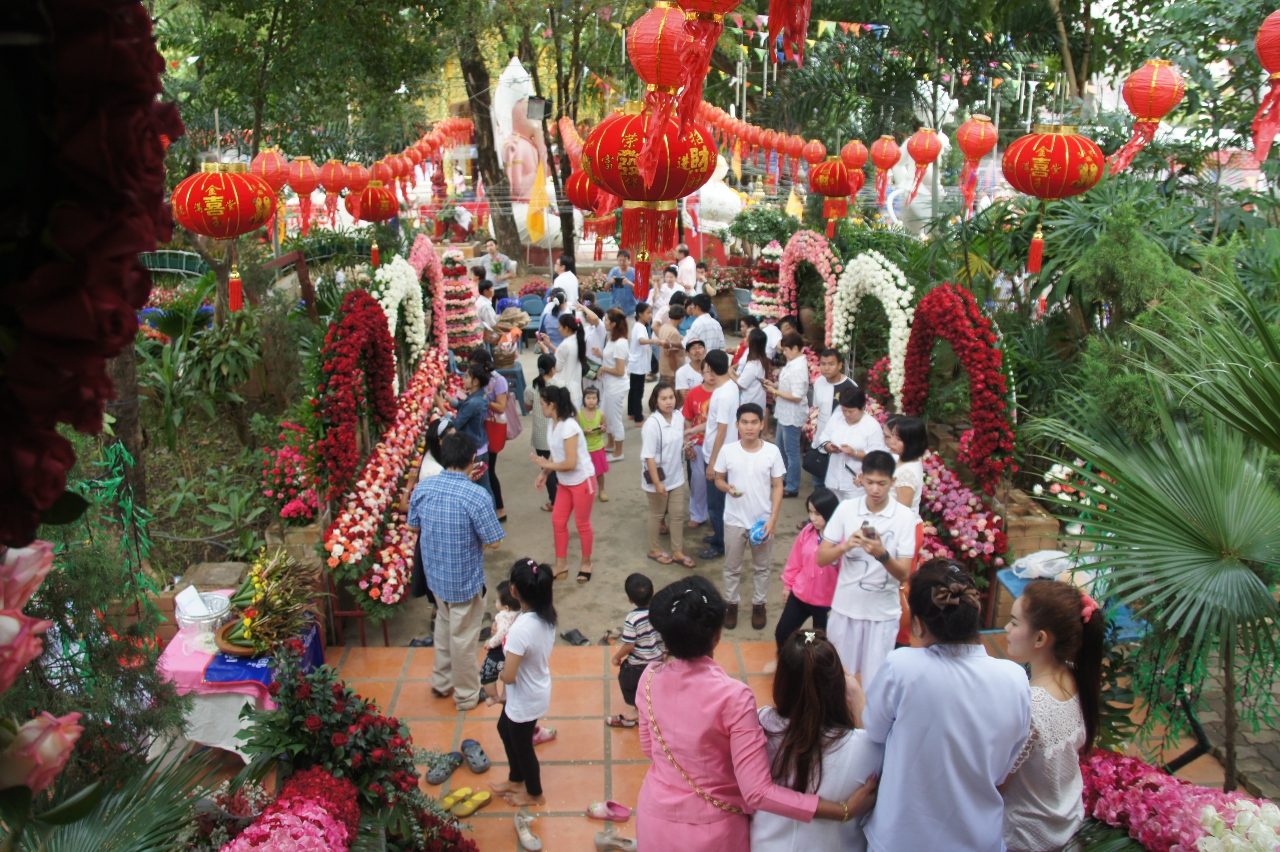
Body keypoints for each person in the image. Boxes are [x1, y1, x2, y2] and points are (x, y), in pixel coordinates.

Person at [637, 576, 878, 851]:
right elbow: (757, 792)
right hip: (712, 831)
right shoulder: (733, 697)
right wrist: (843, 811)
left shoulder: (648, 678)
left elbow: (649, 747)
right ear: (717, 635)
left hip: (653, 818)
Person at [862, 559, 1031, 852]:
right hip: (979, 839)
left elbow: (874, 731)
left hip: (902, 838)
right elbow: (1004, 768)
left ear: (917, 625)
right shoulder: (1015, 680)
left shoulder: (902, 668)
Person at [752, 630, 884, 852]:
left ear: (781, 681)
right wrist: (859, 698)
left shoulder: (760, 723)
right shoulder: (865, 746)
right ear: (838, 686)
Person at [1002, 580, 1104, 852]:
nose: (1006, 629)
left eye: (1014, 622)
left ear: (1040, 638)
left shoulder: (1031, 705)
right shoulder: (1075, 675)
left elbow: (997, 784)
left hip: (1026, 837)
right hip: (1065, 820)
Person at [406, 432, 504, 711]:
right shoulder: (476, 495)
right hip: (464, 582)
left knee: (444, 628)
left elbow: (413, 526)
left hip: (435, 578)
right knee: (463, 640)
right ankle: (466, 695)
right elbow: (494, 541)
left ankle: (441, 681)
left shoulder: (424, 488)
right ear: (473, 459)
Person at [815, 451, 918, 686]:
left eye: (882, 483)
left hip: (882, 613)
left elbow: (904, 573)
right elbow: (821, 558)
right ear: (861, 478)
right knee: (838, 680)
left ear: (892, 482)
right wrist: (845, 547)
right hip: (846, 607)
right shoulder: (846, 509)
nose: (875, 489)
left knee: (875, 684)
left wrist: (882, 555)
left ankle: (870, 723)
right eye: (870, 482)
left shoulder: (903, 517)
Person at [489, 558, 558, 808]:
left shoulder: (521, 630)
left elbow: (509, 676)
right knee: (504, 729)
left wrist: (496, 672)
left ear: (514, 591)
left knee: (523, 747)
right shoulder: (545, 615)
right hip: (534, 689)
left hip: (525, 697)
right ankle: (515, 778)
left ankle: (535, 793)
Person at [715, 403, 786, 631]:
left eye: (754, 422)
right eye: (744, 422)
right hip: (734, 520)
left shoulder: (772, 452)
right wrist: (728, 488)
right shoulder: (728, 451)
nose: (749, 427)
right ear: (737, 425)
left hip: (761, 521)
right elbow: (718, 479)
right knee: (732, 566)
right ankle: (731, 603)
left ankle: (759, 604)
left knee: (762, 567)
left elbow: (778, 486)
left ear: (762, 424)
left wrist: (772, 519)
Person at [532, 386, 596, 582]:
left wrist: (546, 464)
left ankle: (586, 563)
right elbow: (555, 451)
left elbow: (570, 463)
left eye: (543, 404)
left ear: (552, 405)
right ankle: (561, 564)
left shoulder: (569, 426)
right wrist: (545, 472)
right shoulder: (555, 423)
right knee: (558, 521)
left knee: (581, 523)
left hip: (582, 480)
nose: (541, 408)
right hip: (566, 482)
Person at [774, 489, 841, 649]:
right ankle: (784, 662)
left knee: (822, 645)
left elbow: (846, 576)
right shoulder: (807, 531)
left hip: (826, 604)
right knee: (783, 633)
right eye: (810, 512)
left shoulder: (841, 541)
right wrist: (788, 585)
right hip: (800, 595)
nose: (812, 518)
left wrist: (838, 606)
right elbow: (794, 561)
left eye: (817, 514)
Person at [643, 382, 693, 567]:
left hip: (676, 476)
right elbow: (648, 456)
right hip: (658, 478)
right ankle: (654, 549)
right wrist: (657, 483)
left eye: (671, 397)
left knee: (678, 515)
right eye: (663, 398)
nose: (668, 402)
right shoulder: (652, 425)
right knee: (657, 515)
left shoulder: (679, 416)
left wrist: (686, 447)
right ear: (655, 402)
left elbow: (678, 441)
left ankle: (678, 552)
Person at [608, 573, 664, 728]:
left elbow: (629, 645)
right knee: (652, 686)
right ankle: (653, 709)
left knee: (629, 683)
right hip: (658, 661)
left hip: (637, 665)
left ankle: (638, 711)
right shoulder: (659, 612)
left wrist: (616, 657)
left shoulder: (632, 619)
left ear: (630, 599)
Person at [814, 386, 887, 501]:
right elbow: (824, 437)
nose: (847, 414)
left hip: (855, 483)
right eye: (844, 410)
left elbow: (877, 456)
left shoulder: (871, 426)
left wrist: (855, 453)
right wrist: (829, 447)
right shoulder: (837, 417)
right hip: (833, 478)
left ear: (862, 407)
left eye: (851, 411)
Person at [700, 350, 739, 560]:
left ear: (712, 369)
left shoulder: (723, 394)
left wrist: (712, 464)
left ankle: (720, 543)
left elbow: (721, 431)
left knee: (716, 504)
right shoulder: (729, 386)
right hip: (724, 453)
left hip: (720, 456)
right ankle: (718, 534)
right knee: (719, 501)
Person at [434, 361, 494, 497]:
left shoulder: (473, 402)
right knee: (485, 487)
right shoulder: (481, 396)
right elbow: (465, 407)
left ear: (475, 382)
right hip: (482, 446)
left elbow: (455, 424)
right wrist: (451, 400)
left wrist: (441, 406)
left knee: (481, 489)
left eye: (466, 376)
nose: (463, 379)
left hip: (475, 451)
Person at [765, 333, 810, 498]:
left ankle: (792, 486)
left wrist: (774, 391)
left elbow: (797, 395)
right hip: (784, 412)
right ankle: (784, 479)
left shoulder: (799, 367)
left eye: (786, 350)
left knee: (791, 452)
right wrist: (774, 385)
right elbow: (787, 385)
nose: (785, 353)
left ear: (796, 348)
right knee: (781, 449)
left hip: (792, 414)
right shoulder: (794, 363)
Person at [474, 349, 510, 522]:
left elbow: (501, 407)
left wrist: (482, 400)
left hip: (491, 428)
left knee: (489, 471)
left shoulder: (498, 381)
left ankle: (499, 509)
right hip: (480, 427)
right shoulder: (478, 379)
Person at [811, 350, 856, 484]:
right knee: (818, 482)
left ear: (840, 365)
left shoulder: (850, 387)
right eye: (823, 364)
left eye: (831, 364)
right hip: (821, 442)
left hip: (840, 446)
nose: (826, 368)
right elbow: (816, 408)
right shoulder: (819, 382)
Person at [681, 358, 714, 531]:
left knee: (718, 481)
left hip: (718, 444)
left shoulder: (724, 392)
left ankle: (718, 515)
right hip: (698, 443)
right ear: (701, 373)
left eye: (714, 370)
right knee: (698, 480)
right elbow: (688, 419)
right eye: (707, 371)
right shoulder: (694, 393)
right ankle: (697, 514)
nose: (711, 374)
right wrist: (689, 444)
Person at [596, 307, 631, 461]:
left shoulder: (620, 343)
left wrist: (603, 367)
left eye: (607, 320)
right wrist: (601, 356)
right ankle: (610, 444)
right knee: (606, 416)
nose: (604, 322)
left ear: (615, 324)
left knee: (615, 419)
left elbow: (620, 370)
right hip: (609, 386)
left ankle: (619, 452)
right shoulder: (612, 339)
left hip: (617, 387)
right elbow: (612, 359)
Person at [527, 354, 558, 512]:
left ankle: (555, 501)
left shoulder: (531, 387)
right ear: (553, 369)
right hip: (556, 433)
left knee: (547, 470)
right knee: (558, 467)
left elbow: (527, 407)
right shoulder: (559, 384)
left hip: (540, 436)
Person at [537, 312, 586, 409]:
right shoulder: (577, 340)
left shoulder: (566, 344)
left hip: (566, 391)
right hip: (576, 390)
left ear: (566, 328)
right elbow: (564, 356)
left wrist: (545, 351)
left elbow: (556, 367)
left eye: (560, 327)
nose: (559, 330)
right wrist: (550, 345)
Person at [480, 580, 519, 695]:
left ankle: (494, 696)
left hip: (502, 650)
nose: (495, 602)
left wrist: (491, 642)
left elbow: (502, 632)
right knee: (508, 674)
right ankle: (504, 695)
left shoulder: (503, 615)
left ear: (506, 607)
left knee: (487, 672)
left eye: (497, 600)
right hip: (514, 651)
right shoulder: (519, 613)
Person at [883, 415, 927, 514]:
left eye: (899, 439)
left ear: (911, 443)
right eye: (892, 435)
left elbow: (902, 514)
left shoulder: (907, 474)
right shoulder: (904, 459)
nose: (892, 442)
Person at [578, 387, 611, 502]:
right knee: (583, 472)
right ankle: (585, 491)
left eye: (594, 398)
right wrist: (584, 431)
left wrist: (602, 429)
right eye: (588, 398)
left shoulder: (601, 414)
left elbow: (605, 428)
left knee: (599, 472)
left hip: (597, 446)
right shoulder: (579, 414)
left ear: (598, 399)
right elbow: (575, 432)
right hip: (584, 448)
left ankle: (601, 490)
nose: (591, 400)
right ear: (583, 399)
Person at [628, 301, 658, 424]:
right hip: (638, 364)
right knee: (638, 391)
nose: (650, 315)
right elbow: (641, 341)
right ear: (640, 314)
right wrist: (655, 341)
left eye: (651, 313)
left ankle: (632, 413)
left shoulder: (639, 326)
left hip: (636, 363)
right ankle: (638, 418)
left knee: (633, 389)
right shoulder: (640, 327)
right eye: (648, 313)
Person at [734, 328, 771, 411]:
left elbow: (741, 384)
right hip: (756, 400)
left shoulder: (753, 365)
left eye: (748, 338)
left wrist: (730, 372)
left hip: (750, 403)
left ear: (753, 343)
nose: (745, 339)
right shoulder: (761, 358)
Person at [658, 304, 686, 384]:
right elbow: (672, 355)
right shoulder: (674, 332)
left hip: (664, 368)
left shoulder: (663, 327)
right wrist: (676, 372)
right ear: (681, 318)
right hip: (671, 372)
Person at [483, 237, 515, 301]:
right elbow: (480, 273)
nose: (490, 248)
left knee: (505, 309)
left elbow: (510, 273)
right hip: (489, 289)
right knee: (491, 310)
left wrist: (501, 277)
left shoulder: (504, 258)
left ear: (496, 246)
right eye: (487, 246)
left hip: (502, 288)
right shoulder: (483, 259)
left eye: (491, 245)